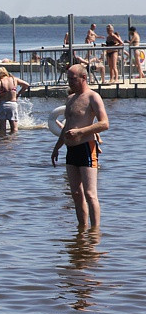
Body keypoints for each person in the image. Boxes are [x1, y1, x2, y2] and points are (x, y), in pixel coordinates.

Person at [50, 65, 109, 228]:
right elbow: (68, 124)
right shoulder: (70, 99)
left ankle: (95, 230)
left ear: (83, 78)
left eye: (72, 79)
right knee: (76, 193)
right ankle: (82, 230)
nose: (69, 82)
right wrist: (57, 147)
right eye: (68, 79)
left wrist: (80, 132)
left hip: (86, 147)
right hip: (71, 150)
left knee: (90, 194)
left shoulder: (93, 97)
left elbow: (104, 124)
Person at [0, 67, 30, 135]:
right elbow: (27, 85)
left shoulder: (0, 82)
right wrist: (18, 93)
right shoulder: (14, 79)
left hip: (2, 104)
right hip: (12, 104)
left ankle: (3, 141)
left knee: (2, 128)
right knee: (14, 128)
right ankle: (12, 141)